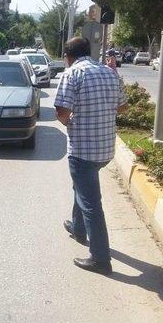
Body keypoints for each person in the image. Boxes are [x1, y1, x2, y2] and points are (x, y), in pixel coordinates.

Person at [55, 37, 128, 276]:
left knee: (91, 204)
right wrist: (102, 113)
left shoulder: (72, 74)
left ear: (68, 56)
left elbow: (62, 112)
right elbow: (123, 106)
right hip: (105, 148)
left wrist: (70, 122)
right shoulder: (109, 72)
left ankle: (100, 258)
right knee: (82, 188)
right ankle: (78, 228)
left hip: (83, 150)